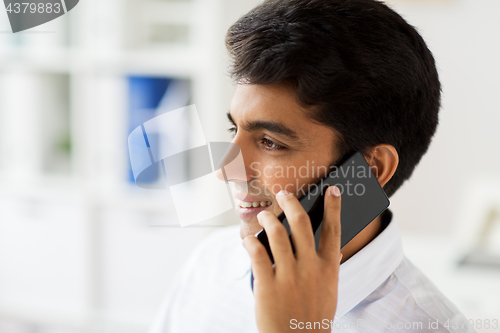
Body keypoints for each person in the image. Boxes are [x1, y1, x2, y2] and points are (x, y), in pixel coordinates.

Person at [149, 0, 476, 332]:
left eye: (270, 142)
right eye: (235, 129)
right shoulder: (210, 266)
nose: (225, 170)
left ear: (371, 169)